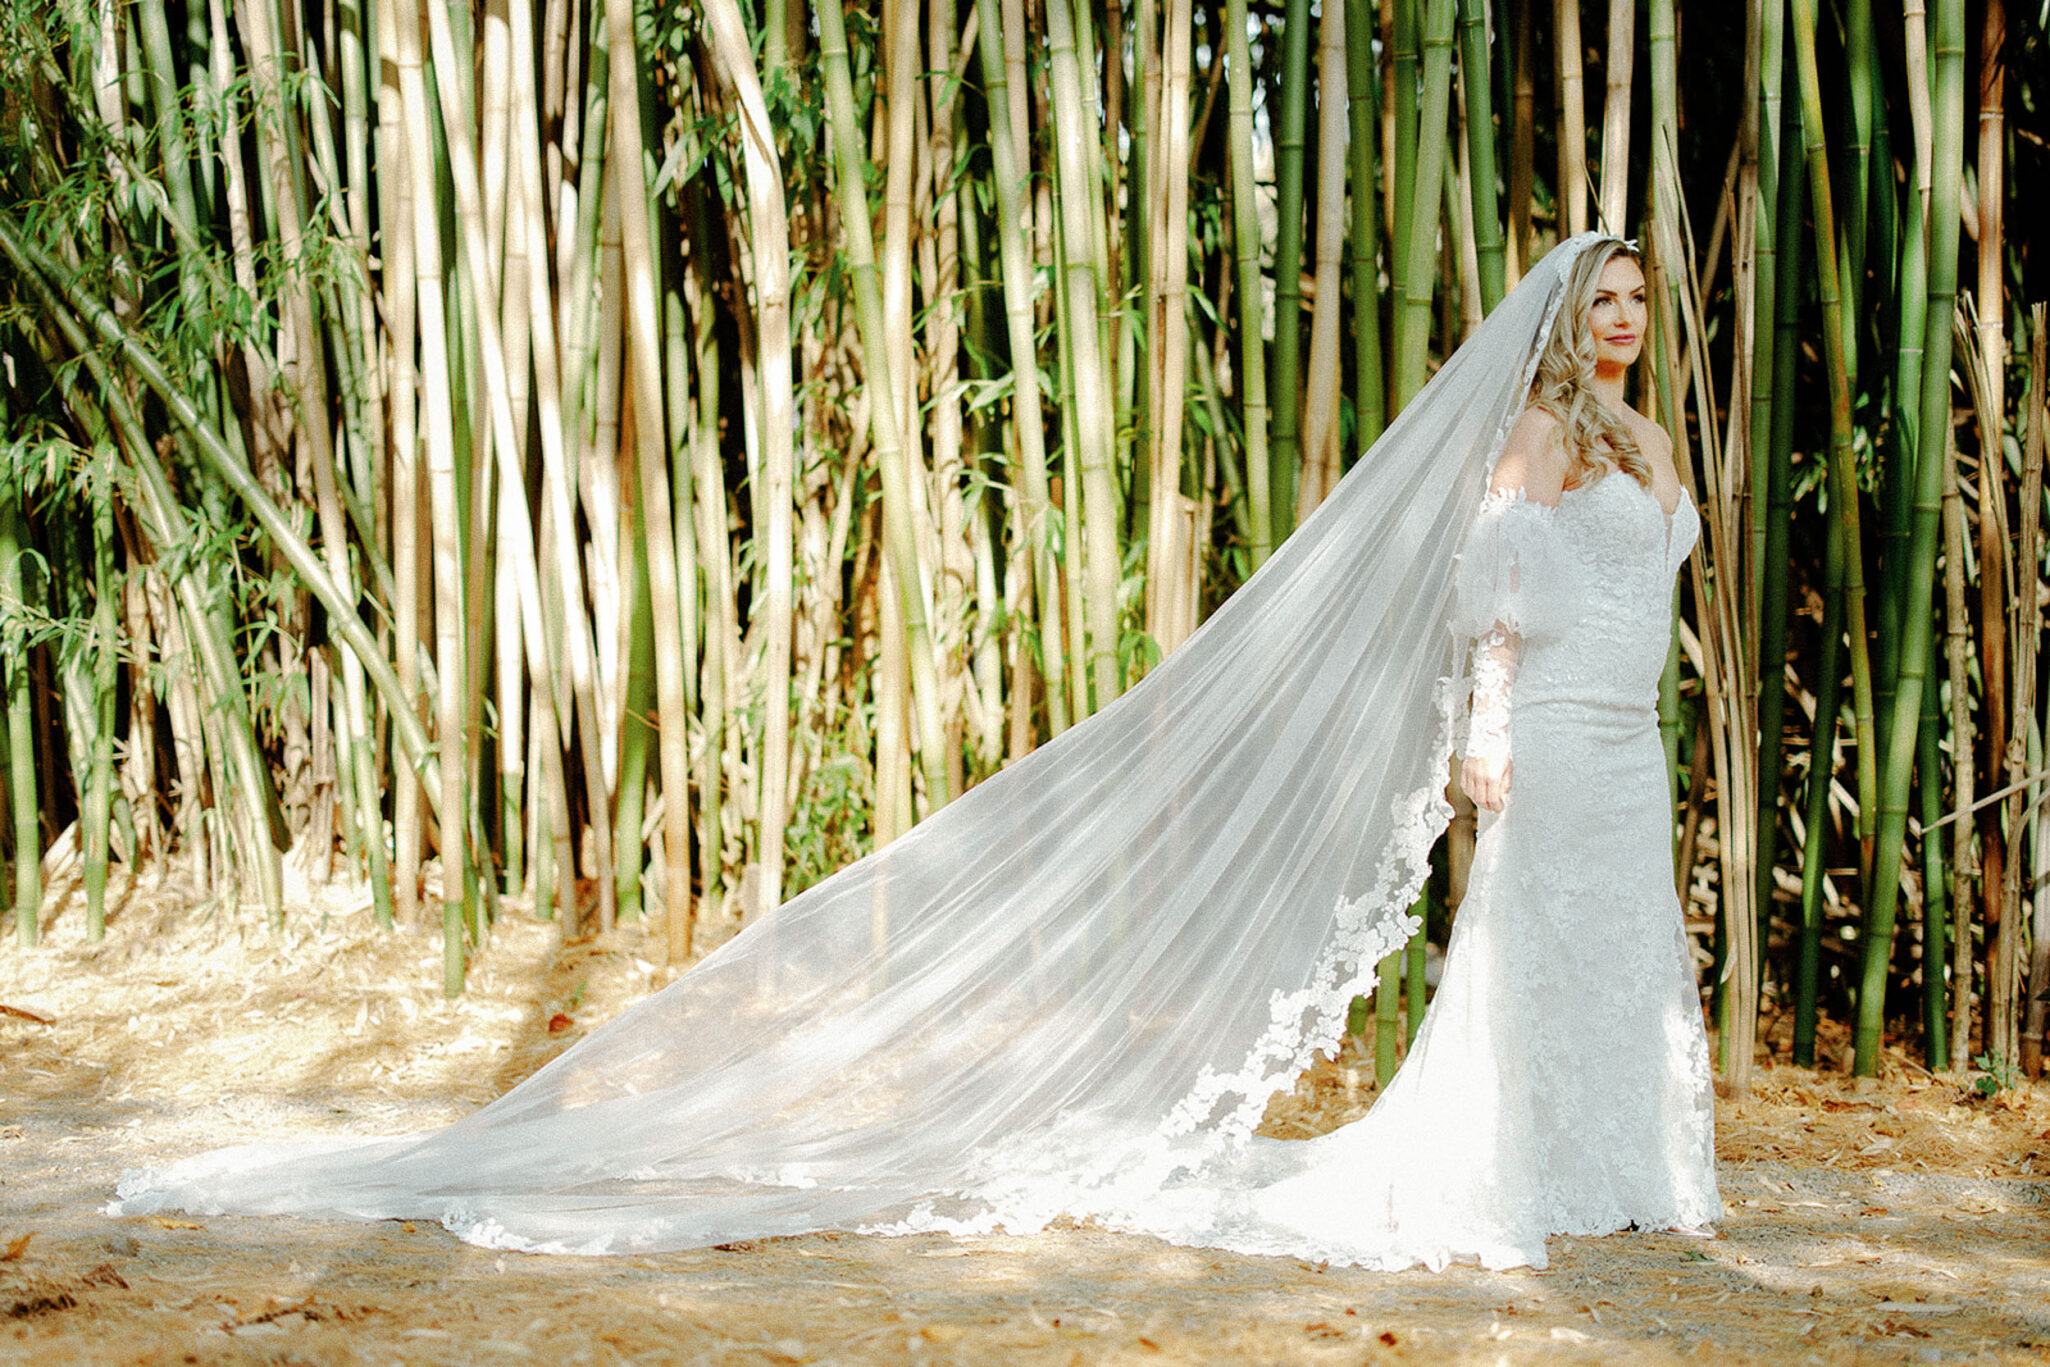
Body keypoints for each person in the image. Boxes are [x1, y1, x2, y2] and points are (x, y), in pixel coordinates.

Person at [114, 234, 1719, 1271]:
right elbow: (1484, 604)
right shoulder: (1528, 436)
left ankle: (1621, 1160)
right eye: (1604, 303)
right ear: (1561, 322)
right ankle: (1523, 1161)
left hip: (1629, 747)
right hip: (1553, 741)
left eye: (1640, 303)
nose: (1626, 325)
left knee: (1620, 948)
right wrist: (1488, 736)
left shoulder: (1646, 444)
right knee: (1529, 948)